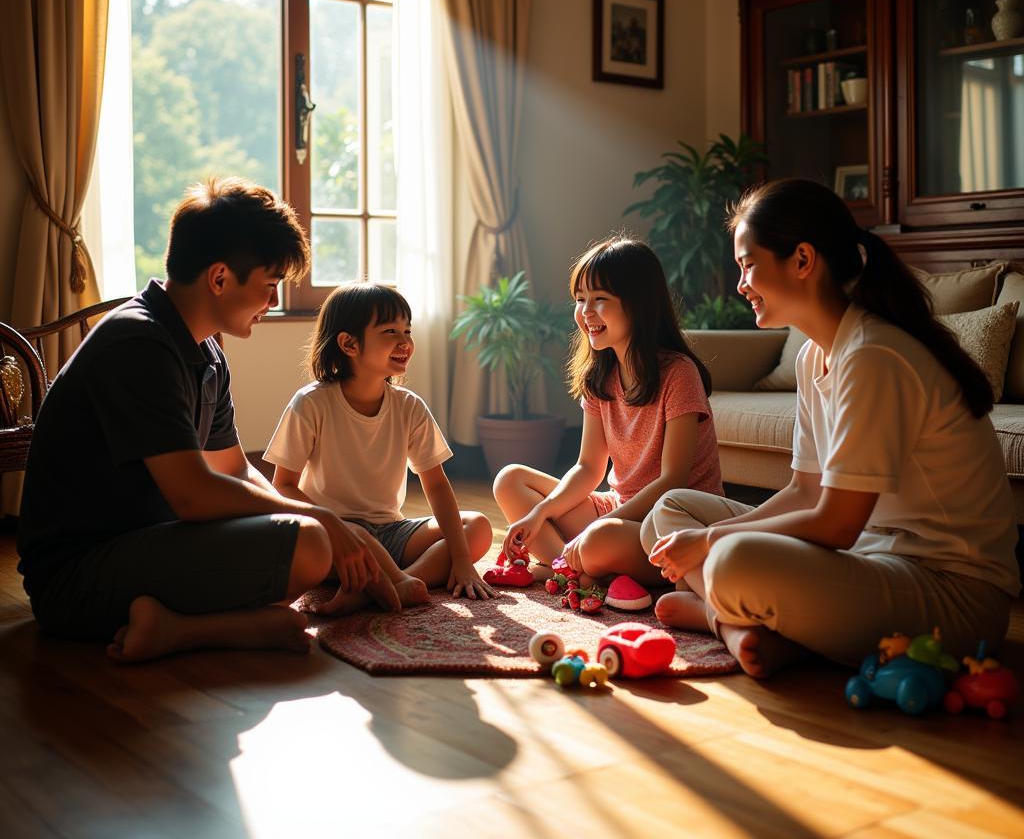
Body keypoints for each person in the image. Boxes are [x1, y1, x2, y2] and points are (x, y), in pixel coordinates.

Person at [643, 178, 1020, 679]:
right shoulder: (813, 355)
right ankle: (769, 626)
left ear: (802, 260)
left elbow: (836, 524)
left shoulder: (873, 355)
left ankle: (723, 618)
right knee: (670, 512)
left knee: (731, 559)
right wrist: (706, 535)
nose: (740, 285)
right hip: (872, 557)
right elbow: (804, 492)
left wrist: (711, 541)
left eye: (748, 264)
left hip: (952, 594)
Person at [17, 178, 403, 663]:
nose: (271, 302)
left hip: (144, 544)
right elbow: (194, 494)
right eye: (268, 286)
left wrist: (341, 530)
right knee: (308, 540)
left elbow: (234, 470)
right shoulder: (139, 343)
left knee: (317, 537)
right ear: (220, 278)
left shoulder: (206, 352)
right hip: (76, 579)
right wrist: (320, 516)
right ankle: (212, 626)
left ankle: (178, 627)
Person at [493, 235, 723, 586]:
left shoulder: (679, 373)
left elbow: (672, 480)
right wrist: (540, 513)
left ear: (639, 305)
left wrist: (596, 528)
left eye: (600, 299)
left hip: (672, 521)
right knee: (509, 480)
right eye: (580, 299)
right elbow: (588, 467)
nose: (586, 312)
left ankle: (570, 564)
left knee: (600, 540)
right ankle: (573, 570)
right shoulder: (601, 375)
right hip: (620, 509)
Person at [264, 282, 496, 601]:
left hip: (391, 532)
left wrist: (463, 561)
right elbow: (284, 484)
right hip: (334, 536)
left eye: (407, 331)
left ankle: (384, 586)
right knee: (320, 547)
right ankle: (394, 581)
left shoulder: (409, 405)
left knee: (479, 527)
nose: (405, 342)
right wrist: (336, 527)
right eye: (390, 332)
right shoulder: (311, 403)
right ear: (349, 344)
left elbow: (437, 486)